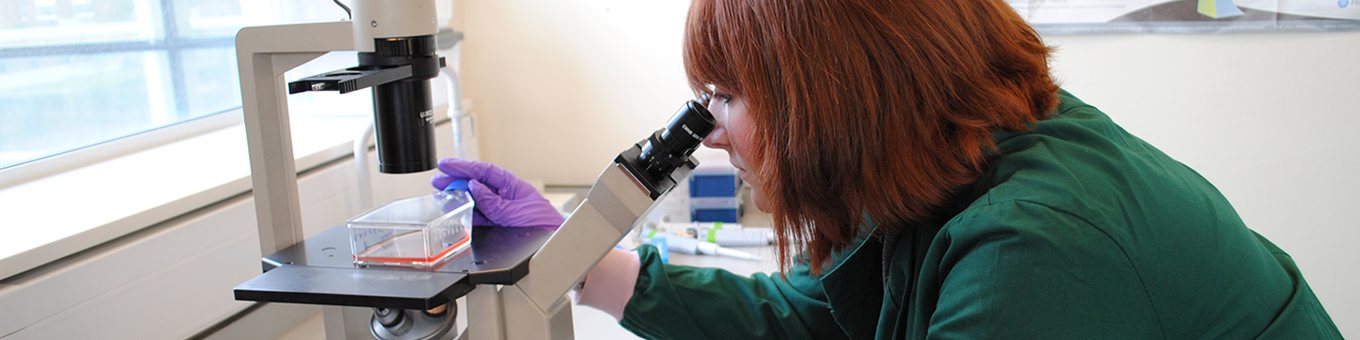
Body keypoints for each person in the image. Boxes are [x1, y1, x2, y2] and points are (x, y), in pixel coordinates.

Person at [432, 0, 1342, 338]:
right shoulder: (960, 160)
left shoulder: (1037, 249)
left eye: (726, 98)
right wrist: (590, 263)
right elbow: (828, 320)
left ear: (832, 97)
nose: (708, 136)